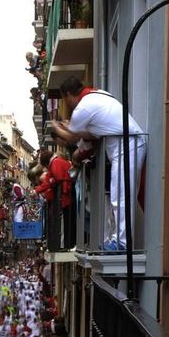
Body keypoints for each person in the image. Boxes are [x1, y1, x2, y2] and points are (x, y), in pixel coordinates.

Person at [50, 76, 146, 251]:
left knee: (120, 197)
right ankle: (119, 240)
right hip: (127, 145)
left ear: (68, 95)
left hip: (126, 146)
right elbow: (91, 134)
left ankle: (122, 243)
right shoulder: (98, 95)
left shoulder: (83, 107)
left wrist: (57, 127)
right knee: (120, 196)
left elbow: (72, 137)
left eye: (65, 100)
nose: (67, 104)